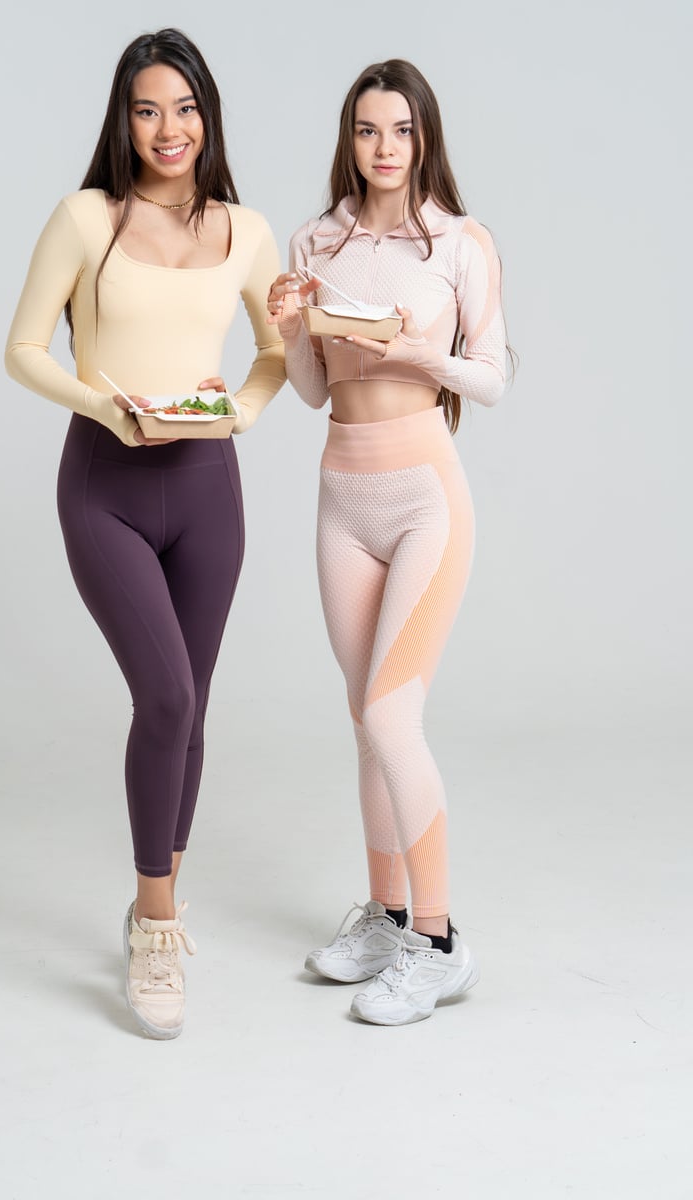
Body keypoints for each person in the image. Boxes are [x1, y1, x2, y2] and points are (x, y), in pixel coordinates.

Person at [5, 28, 285, 1040]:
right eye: (146, 109)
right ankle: (156, 927)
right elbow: (21, 348)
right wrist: (100, 403)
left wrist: (244, 412)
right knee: (161, 694)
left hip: (207, 484)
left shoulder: (245, 232)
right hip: (107, 484)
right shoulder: (87, 218)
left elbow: (271, 354)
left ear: (208, 117)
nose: (168, 129)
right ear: (123, 122)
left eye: (184, 108)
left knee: (191, 709)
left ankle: (153, 889)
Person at [267, 59, 509, 1026]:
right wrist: (290, 330)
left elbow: (488, 379)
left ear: (424, 138)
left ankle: (439, 940)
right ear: (350, 138)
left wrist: (416, 353)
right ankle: (386, 911)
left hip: (423, 502)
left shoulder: (459, 242)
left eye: (399, 131)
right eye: (368, 130)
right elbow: (316, 391)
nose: (383, 149)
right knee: (364, 723)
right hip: (341, 498)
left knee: (393, 717)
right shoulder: (316, 240)